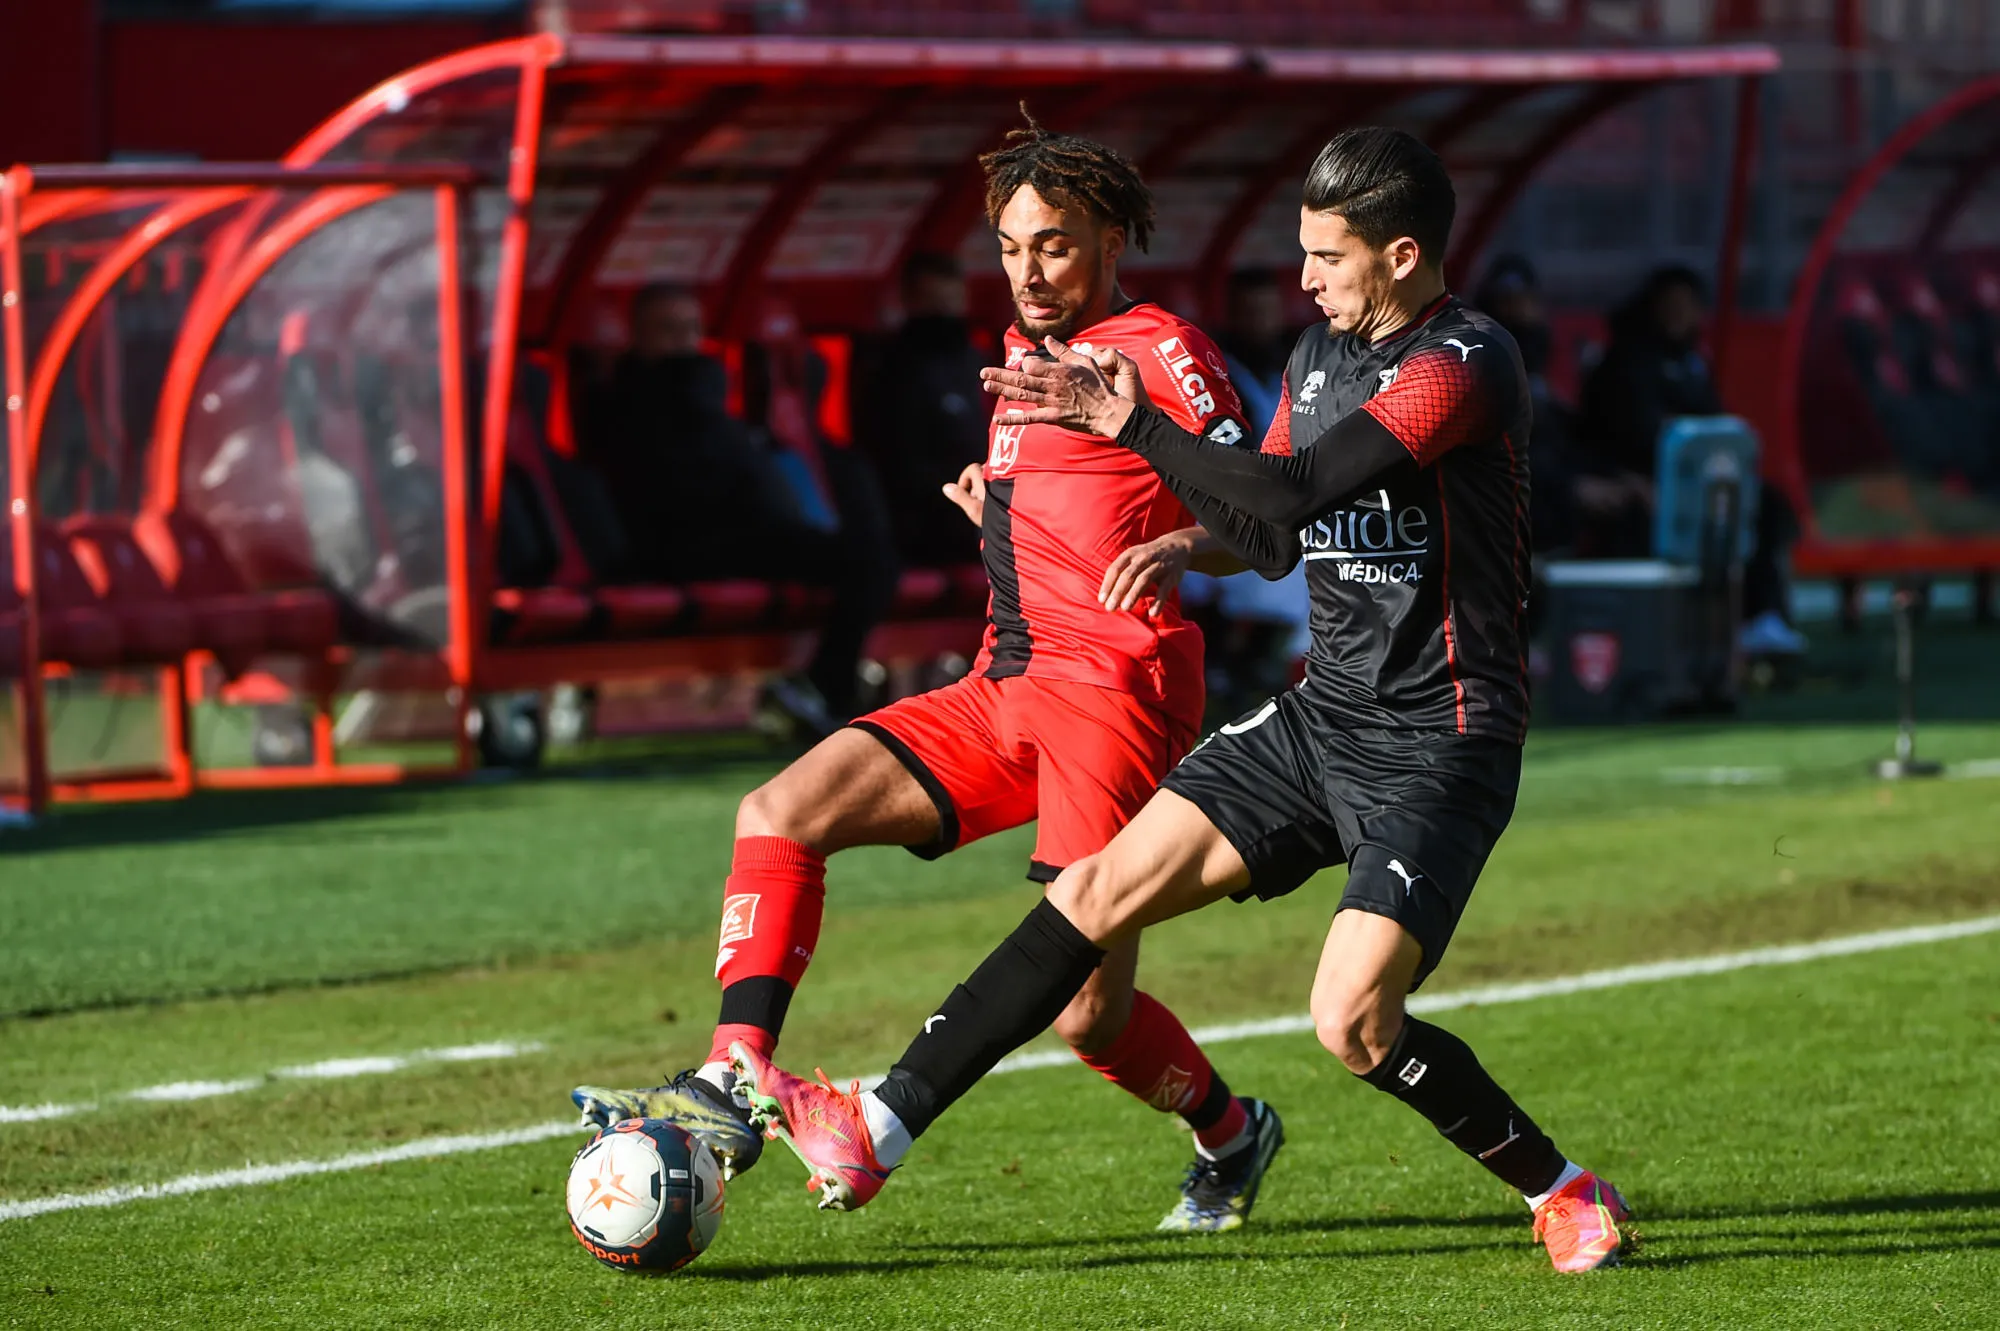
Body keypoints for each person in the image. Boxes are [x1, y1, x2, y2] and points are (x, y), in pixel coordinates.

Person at [727, 127, 1634, 1275]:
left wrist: (1133, 426)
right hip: (1317, 719)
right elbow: (1266, 529)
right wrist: (1176, 542)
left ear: (1402, 255)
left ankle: (1559, 1188)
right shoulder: (1313, 359)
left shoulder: (1465, 362)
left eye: (1327, 257)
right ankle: (876, 1126)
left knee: (1351, 1022)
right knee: (1093, 892)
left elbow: (1304, 484)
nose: (1303, 281)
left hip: (1437, 738)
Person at [570, 111, 1286, 1233]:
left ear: (1109, 239)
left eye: (1051, 242)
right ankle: (729, 1080)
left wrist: (1183, 544)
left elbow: (1257, 517)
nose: (1026, 269)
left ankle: (1232, 1129)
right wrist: (993, 518)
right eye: (1008, 244)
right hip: (1004, 681)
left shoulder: (1162, 348)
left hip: (1113, 697)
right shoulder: (1018, 360)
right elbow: (1072, 510)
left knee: (1090, 1018)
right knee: (780, 807)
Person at [577, 283, 897, 724]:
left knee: (871, 554)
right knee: (863, 559)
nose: (683, 341)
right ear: (639, 336)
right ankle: (823, 690)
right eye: (668, 329)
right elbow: (667, 488)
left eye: (691, 328)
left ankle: (821, 685)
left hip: (748, 536)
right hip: (692, 545)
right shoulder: (631, 405)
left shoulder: (708, 396)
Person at [1579, 265, 1806, 656]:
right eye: (1670, 305)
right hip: (1635, 483)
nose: (1679, 315)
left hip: (1697, 485)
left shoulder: (1692, 363)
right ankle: (1657, 633)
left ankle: (1762, 618)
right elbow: (1624, 433)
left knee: (1760, 506)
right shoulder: (1626, 363)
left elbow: (1715, 427)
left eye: (1688, 306)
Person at [856, 251, 992, 567]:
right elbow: (898, 461)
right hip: (926, 522)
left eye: (951, 300)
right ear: (910, 300)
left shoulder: (973, 359)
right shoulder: (894, 369)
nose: (945, 311)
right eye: (933, 302)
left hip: (981, 504)